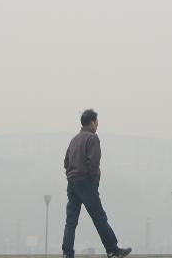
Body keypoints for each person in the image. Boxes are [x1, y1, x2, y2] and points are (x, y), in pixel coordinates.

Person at [62, 109, 131, 258]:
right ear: (92, 122)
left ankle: (67, 253)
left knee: (71, 221)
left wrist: (70, 175)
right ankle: (113, 249)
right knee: (99, 217)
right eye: (97, 122)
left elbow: (66, 162)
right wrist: (93, 181)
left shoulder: (74, 139)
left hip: (72, 183)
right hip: (86, 183)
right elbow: (94, 162)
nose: (98, 125)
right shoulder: (92, 138)